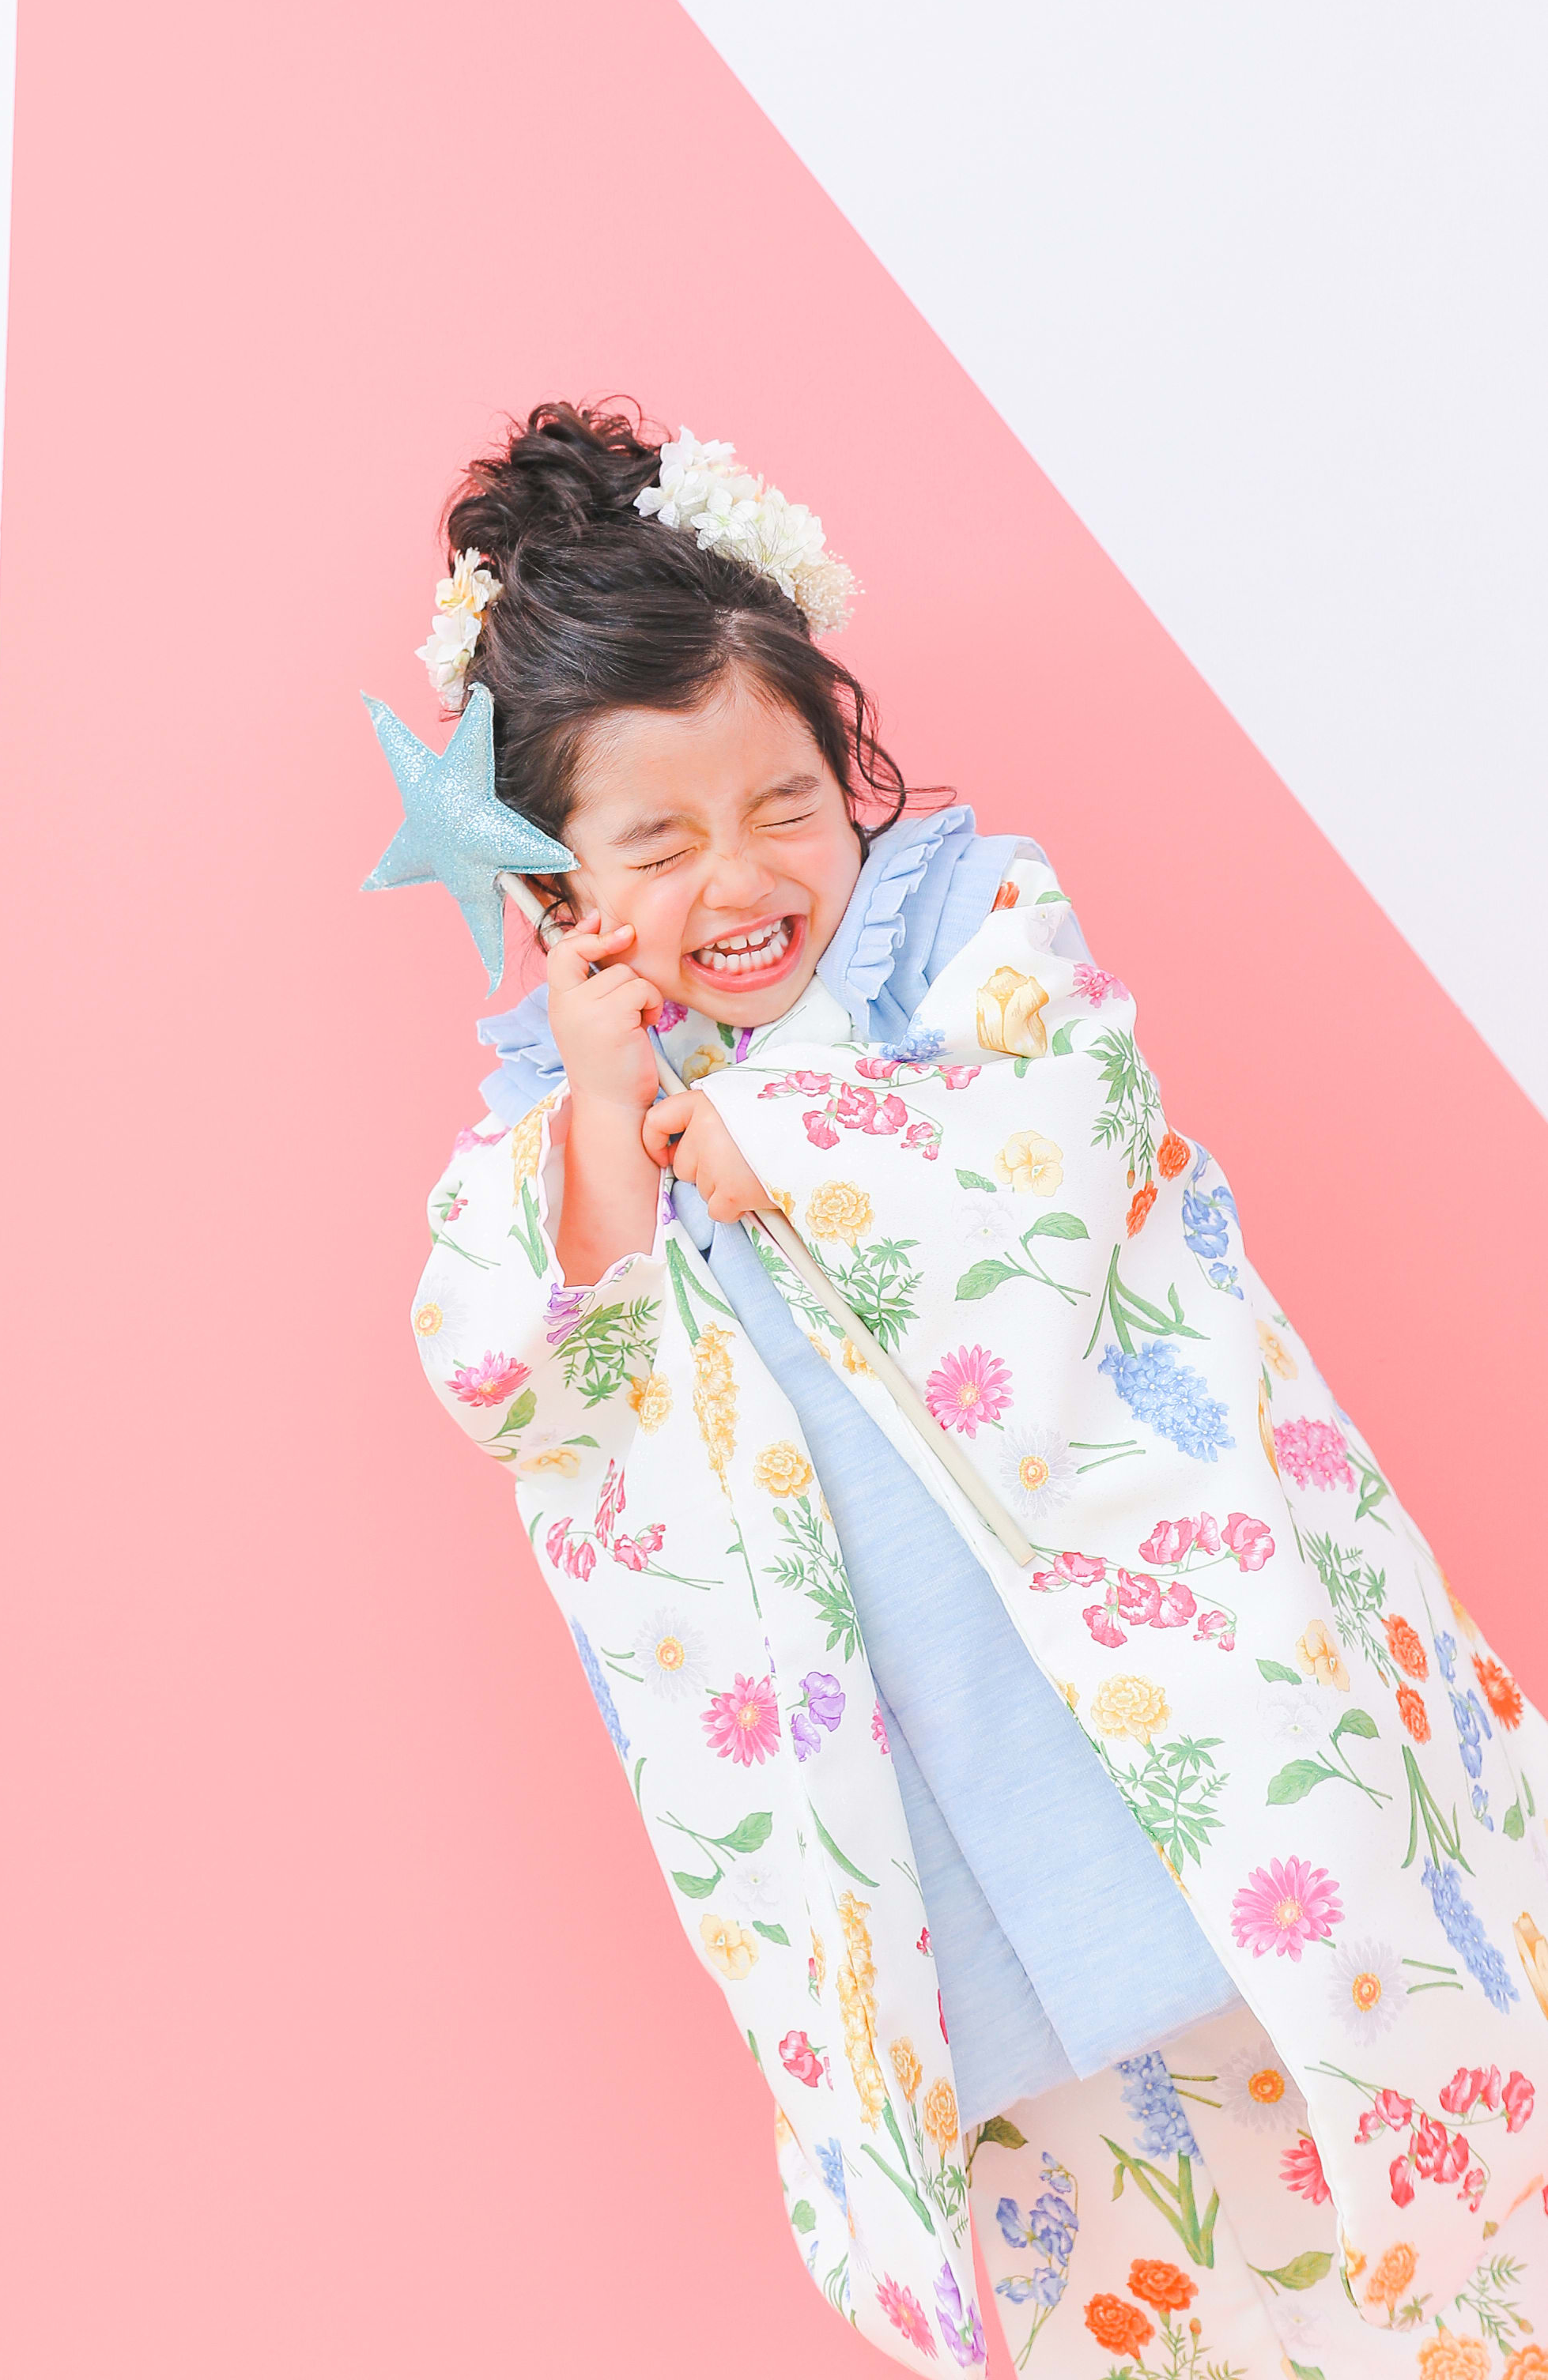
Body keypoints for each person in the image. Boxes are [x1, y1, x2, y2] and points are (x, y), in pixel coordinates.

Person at [410, 401, 1546, 2380]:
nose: (741, 874)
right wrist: (614, 1112)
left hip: (1167, 1696)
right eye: (655, 841)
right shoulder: (555, 1133)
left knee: (1363, 2095)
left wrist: (808, 1149)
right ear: (552, 889)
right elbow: (511, 1371)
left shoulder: (961, 944)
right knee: (1120, 2238)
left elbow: (1069, 1126)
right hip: (906, 1783)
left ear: (853, 778)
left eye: (782, 802)